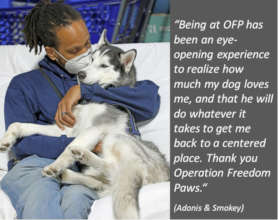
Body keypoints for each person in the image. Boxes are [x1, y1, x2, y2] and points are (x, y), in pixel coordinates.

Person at [0, 0, 160, 219]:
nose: (85, 52)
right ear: (52, 52)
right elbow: (23, 144)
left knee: (76, 201)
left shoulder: (100, 72)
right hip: (36, 164)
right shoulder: (24, 84)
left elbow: (149, 100)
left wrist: (83, 91)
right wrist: (87, 145)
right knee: (40, 196)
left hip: (89, 168)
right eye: (75, 50)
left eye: (87, 43)